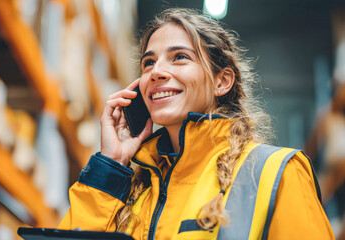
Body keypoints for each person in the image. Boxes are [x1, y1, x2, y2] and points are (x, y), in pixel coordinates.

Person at [58, 8, 334, 239]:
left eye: (179, 57)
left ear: (221, 81)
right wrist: (111, 165)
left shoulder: (276, 173)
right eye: (148, 62)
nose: (157, 72)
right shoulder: (132, 190)